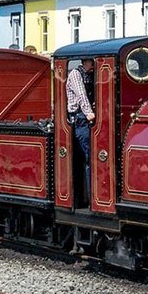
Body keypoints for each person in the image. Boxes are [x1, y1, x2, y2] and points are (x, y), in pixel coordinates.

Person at [65, 59, 95, 204]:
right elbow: (82, 96)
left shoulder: (90, 74)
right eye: (92, 63)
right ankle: (89, 198)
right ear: (85, 62)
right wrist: (89, 113)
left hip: (85, 118)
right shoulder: (76, 75)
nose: (94, 66)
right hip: (80, 118)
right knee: (89, 155)